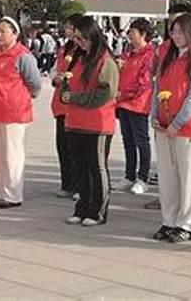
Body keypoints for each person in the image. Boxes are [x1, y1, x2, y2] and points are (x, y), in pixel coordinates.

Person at [151, 13, 191, 243]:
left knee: (188, 177)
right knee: (167, 176)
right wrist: (155, 116)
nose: (175, 36)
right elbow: (157, 88)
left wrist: (178, 122)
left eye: (180, 31)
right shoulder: (169, 57)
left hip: (187, 128)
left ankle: (186, 223)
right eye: (173, 31)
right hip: (164, 127)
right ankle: (169, 220)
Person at [0, 17, 41, 209]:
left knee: (12, 155)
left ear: (15, 33)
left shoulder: (23, 56)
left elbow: (35, 84)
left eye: (3, 31)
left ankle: (12, 194)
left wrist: (21, 97)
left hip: (15, 113)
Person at [61, 16, 119, 226]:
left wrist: (75, 98)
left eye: (83, 38)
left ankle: (97, 210)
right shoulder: (77, 58)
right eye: (76, 38)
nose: (79, 43)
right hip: (75, 121)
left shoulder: (105, 61)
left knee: (96, 167)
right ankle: (82, 207)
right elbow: (69, 82)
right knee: (80, 167)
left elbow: (105, 94)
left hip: (97, 123)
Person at [115, 18, 156, 195]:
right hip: (123, 102)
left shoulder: (149, 55)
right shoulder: (128, 53)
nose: (129, 35)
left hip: (138, 104)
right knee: (128, 140)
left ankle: (142, 177)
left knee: (141, 141)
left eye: (133, 31)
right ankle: (129, 175)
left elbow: (144, 83)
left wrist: (124, 94)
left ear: (143, 34)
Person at [51, 14, 82, 199]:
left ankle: (80, 185)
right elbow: (58, 68)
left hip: (75, 103)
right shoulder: (65, 48)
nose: (67, 31)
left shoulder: (85, 50)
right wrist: (57, 78)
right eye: (67, 28)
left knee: (75, 147)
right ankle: (67, 183)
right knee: (62, 145)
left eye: (71, 28)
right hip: (60, 103)